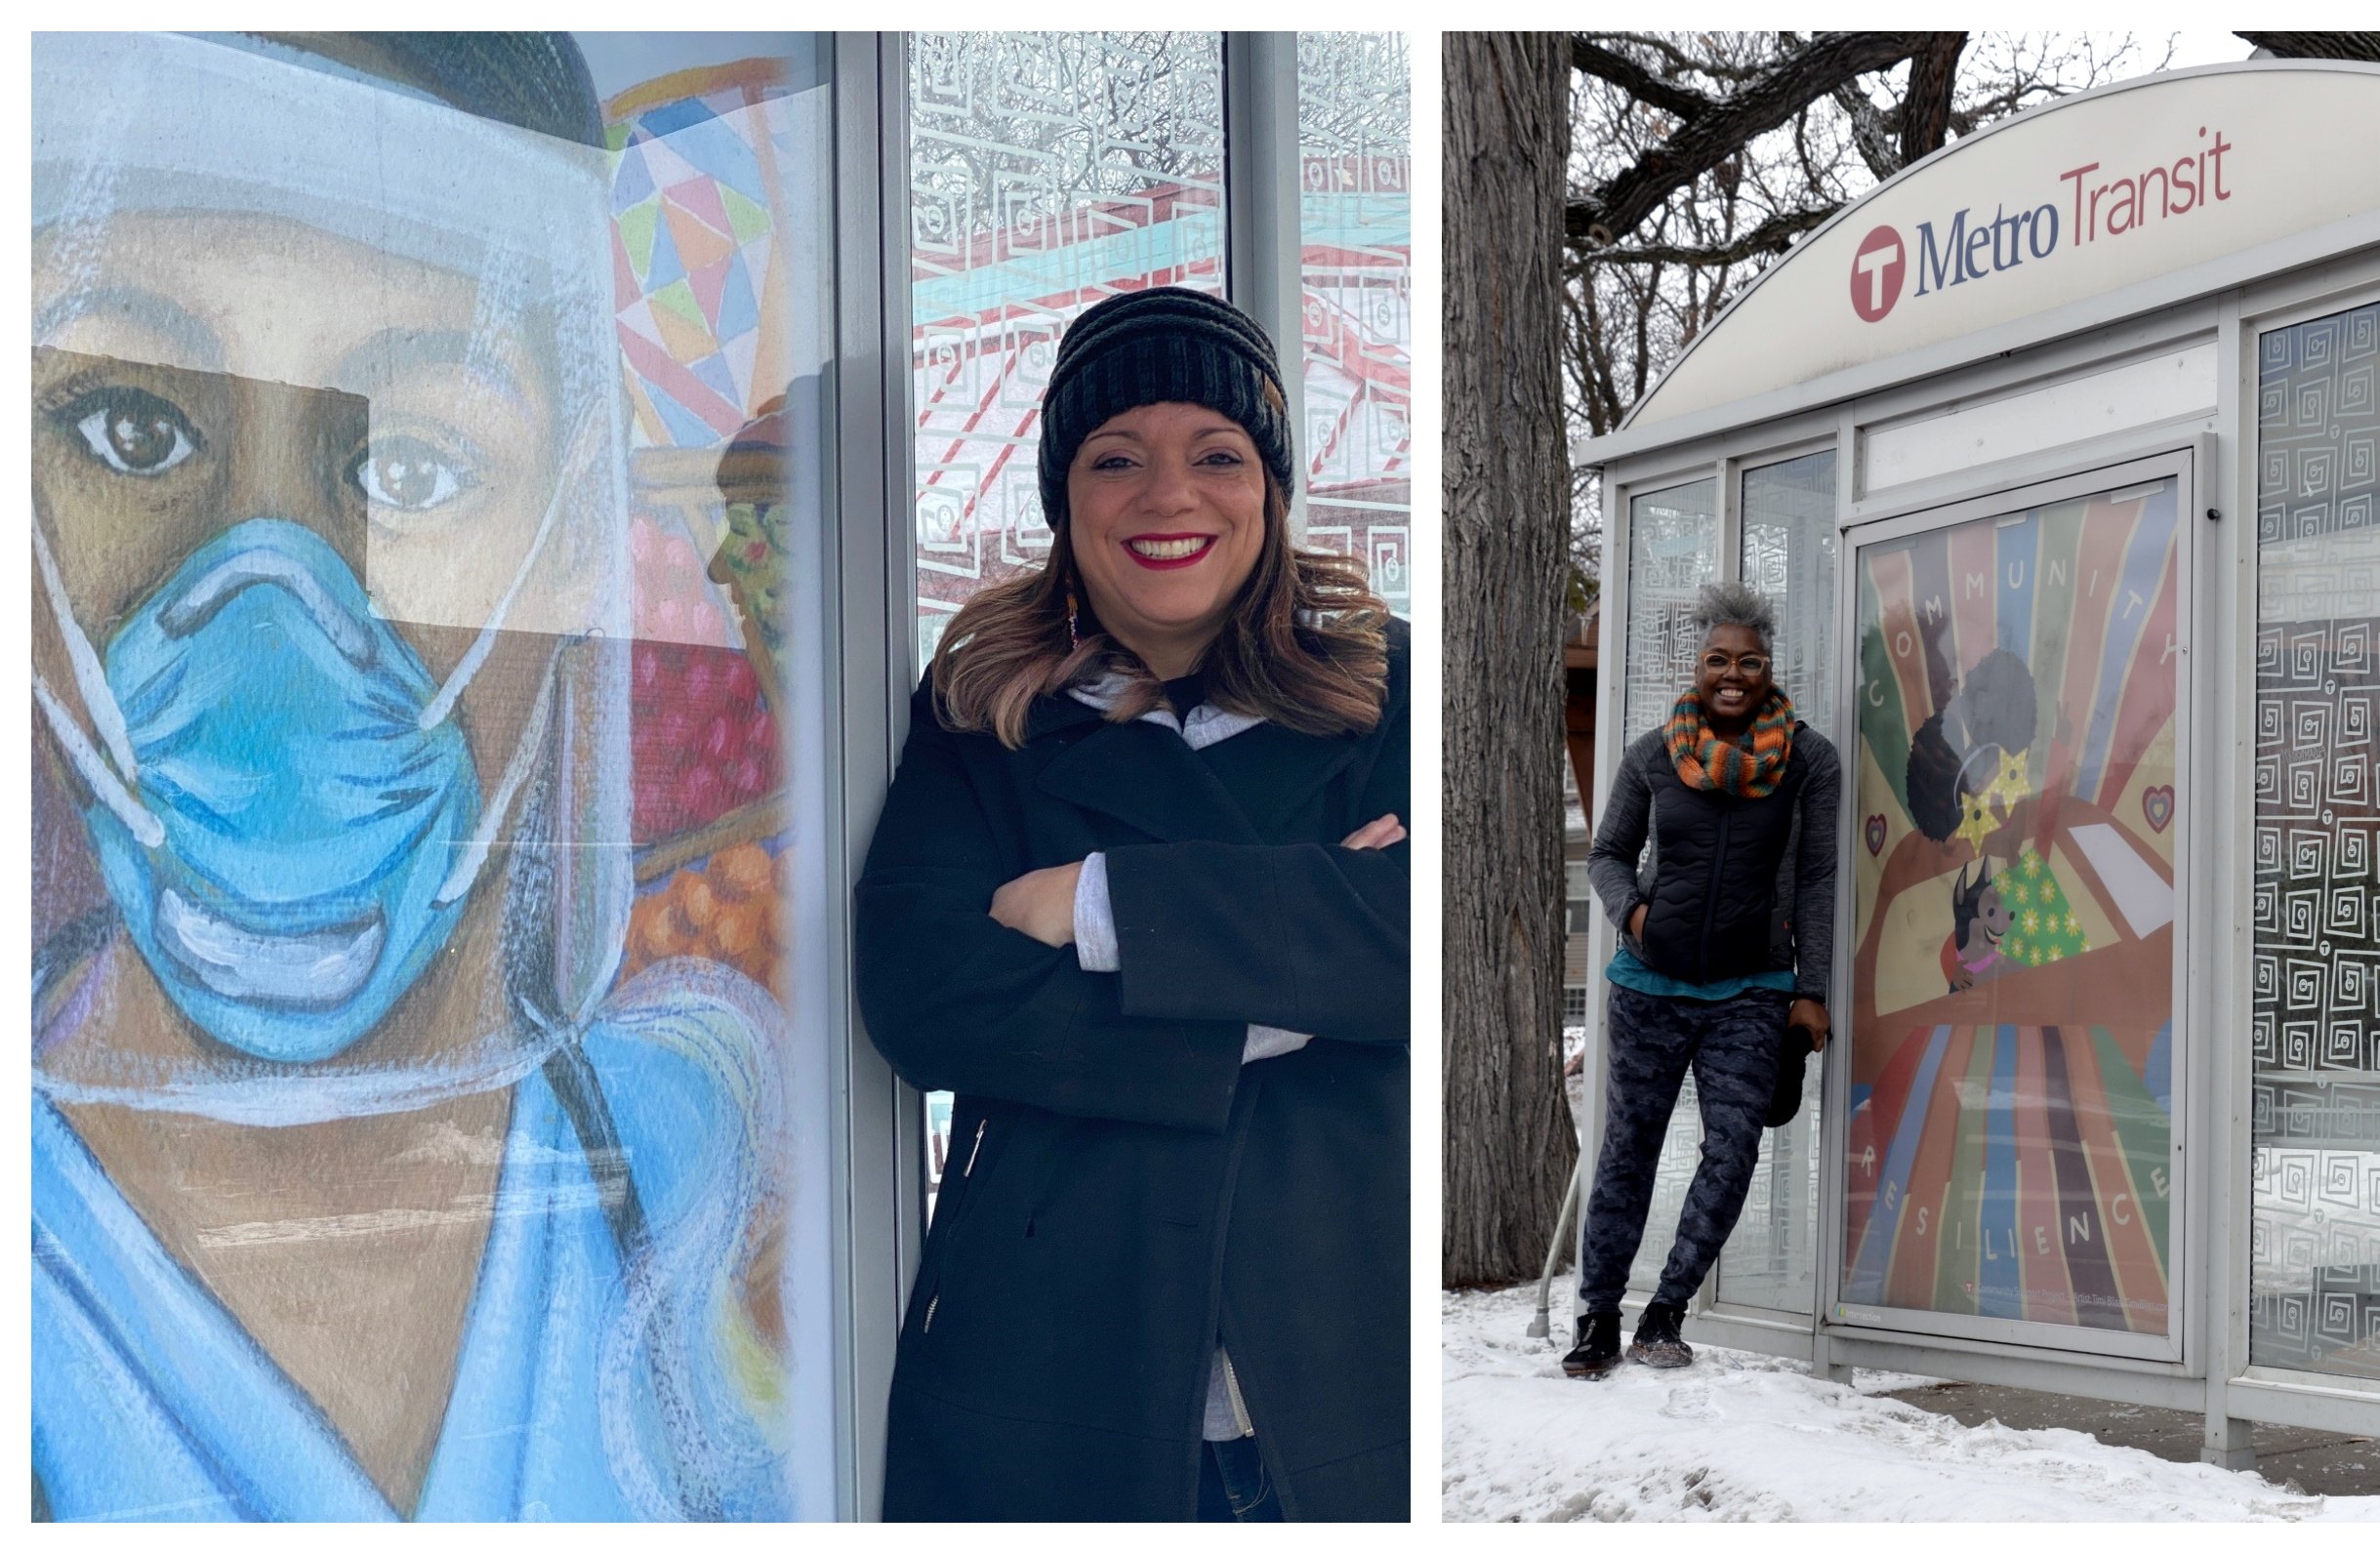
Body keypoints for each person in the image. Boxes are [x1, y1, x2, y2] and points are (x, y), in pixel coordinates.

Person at [29, 31, 790, 1519]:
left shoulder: (709, 1170)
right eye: (132, 430)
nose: (269, 639)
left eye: (413, 466)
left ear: (576, 541)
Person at [854, 287, 1412, 1521]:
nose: (1169, 495)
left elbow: (1414, 942)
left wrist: (1099, 903)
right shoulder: (981, 709)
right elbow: (921, 988)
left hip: (1343, 1366)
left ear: (1269, 487)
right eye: (1117, 458)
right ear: (1064, 495)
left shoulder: (1387, 683)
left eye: (1217, 454)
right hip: (1051, 1366)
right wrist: (1282, 987)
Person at [1570, 583, 1840, 1376]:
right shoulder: (1654, 754)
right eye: (1718, 660)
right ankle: (1598, 1315)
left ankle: (1666, 1312)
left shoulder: (1808, 761)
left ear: (1769, 668)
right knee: (1629, 1152)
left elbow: (1818, 879)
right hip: (1648, 988)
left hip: (1752, 992)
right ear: (1696, 667)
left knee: (1733, 1148)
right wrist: (1635, 917)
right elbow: (1608, 855)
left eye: (1748, 662)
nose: (1733, 675)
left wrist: (1812, 990)